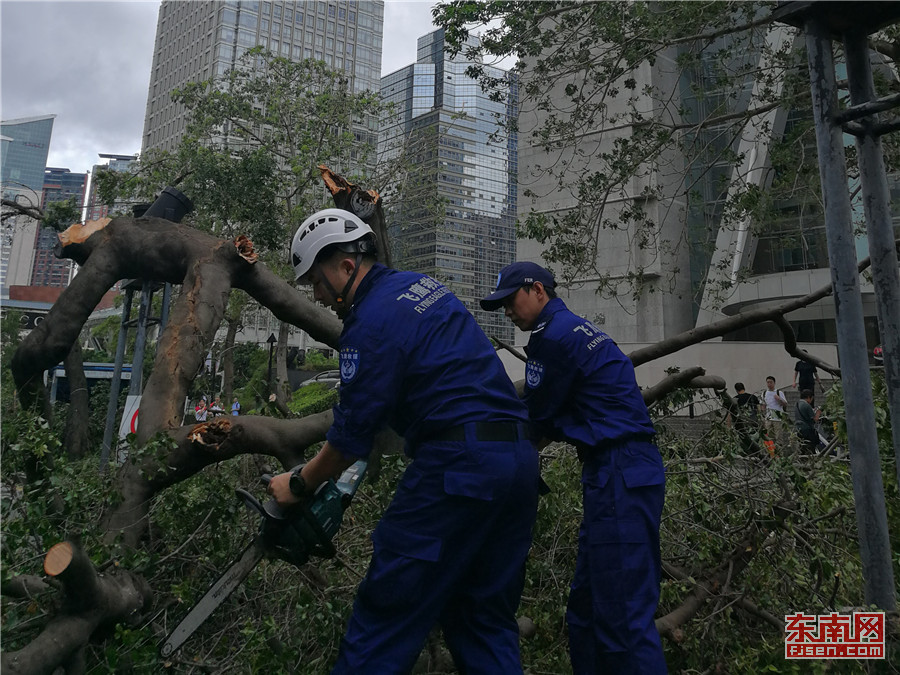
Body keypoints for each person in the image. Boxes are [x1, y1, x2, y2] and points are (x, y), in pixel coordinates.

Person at [269, 209, 540, 674]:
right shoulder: (424, 288)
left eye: (316, 280)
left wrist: (298, 483)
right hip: (518, 466)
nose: (316, 295)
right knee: (483, 620)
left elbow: (352, 433)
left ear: (347, 267)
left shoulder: (369, 322)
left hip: (459, 469)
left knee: (385, 617)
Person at [481, 261, 666, 674]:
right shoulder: (576, 329)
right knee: (585, 609)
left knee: (621, 618)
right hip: (617, 472)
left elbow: (537, 421)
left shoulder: (553, 338)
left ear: (538, 291)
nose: (508, 312)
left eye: (510, 301)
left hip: (621, 470)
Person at [763, 376, 788, 450]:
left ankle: (779, 450)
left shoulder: (779, 392)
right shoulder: (764, 393)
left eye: (771, 382)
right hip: (768, 415)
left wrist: (779, 399)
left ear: (774, 383)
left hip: (777, 414)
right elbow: (763, 404)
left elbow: (785, 404)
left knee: (778, 434)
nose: (769, 384)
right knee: (769, 434)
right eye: (768, 382)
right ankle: (771, 450)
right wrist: (763, 414)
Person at [794, 389, 821, 453]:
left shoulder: (797, 404)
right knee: (810, 447)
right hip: (807, 430)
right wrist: (818, 412)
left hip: (799, 429)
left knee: (803, 448)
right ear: (809, 397)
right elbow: (815, 419)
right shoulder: (806, 405)